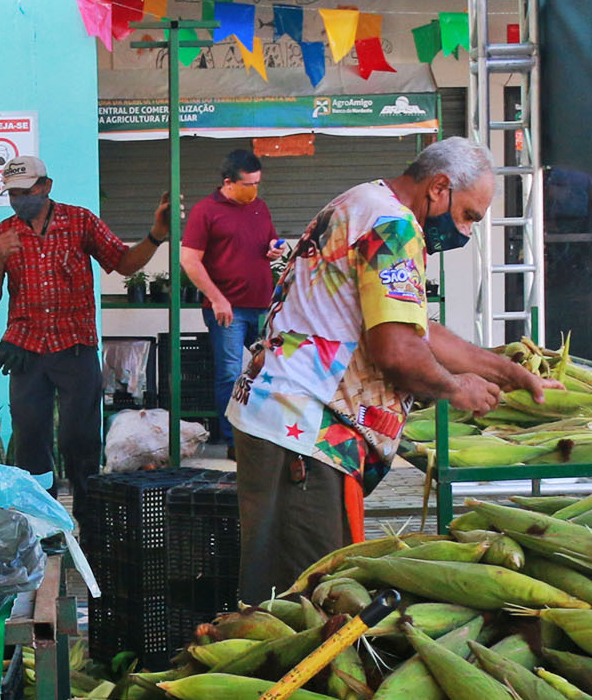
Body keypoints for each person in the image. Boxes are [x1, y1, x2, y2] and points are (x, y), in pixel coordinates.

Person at [226, 138, 548, 601]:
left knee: (280, 581)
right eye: (468, 216)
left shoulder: (364, 203)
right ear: (439, 188)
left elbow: (417, 328)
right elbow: (397, 349)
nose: (466, 232)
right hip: (305, 434)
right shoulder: (393, 227)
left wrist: (507, 372)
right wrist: (457, 389)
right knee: (309, 596)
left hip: (281, 419)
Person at [0, 154, 168, 498]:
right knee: (30, 443)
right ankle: (42, 525)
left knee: (80, 440)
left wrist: (156, 236)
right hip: (26, 352)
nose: (19, 200)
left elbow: (123, 264)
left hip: (75, 348)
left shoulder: (79, 222)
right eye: (13, 194)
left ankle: (88, 524)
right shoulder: (2, 234)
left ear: (46, 186)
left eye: (26, 191)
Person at [179, 148, 276, 450]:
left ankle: (266, 431)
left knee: (273, 366)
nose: (254, 191)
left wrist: (274, 248)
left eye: (257, 183)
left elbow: (267, 243)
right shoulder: (205, 211)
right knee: (231, 372)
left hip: (261, 304)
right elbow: (190, 260)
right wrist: (217, 299)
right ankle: (232, 438)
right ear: (228, 182)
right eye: (248, 184)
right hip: (227, 309)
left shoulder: (260, 207)